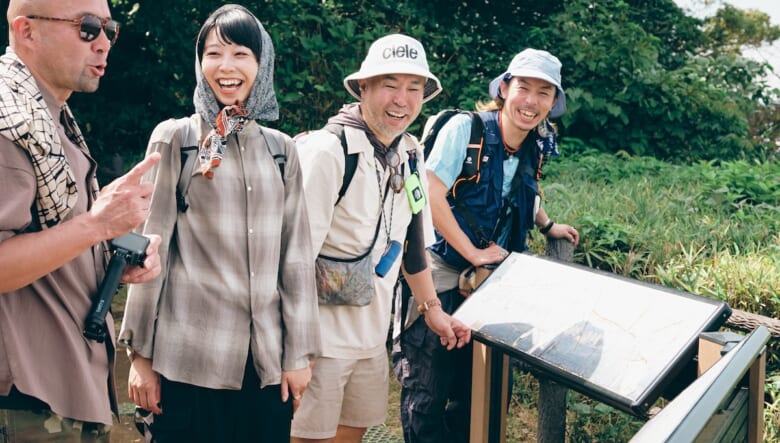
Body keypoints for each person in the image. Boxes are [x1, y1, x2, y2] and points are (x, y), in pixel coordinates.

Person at [118, 4, 320, 442]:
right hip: (186, 361)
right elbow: (149, 247)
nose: (226, 67)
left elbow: (297, 258)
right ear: (199, 62)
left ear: (261, 63)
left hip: (264, 366)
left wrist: (297, 354)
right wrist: (140, 357)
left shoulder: (282, 150)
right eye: (214, 53)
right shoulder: (177, 138)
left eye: (241, 53)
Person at [392, 48, 580, 443]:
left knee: (479, 397)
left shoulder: (535, 142)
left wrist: (548, 226)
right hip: (440, 278)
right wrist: (475, 253)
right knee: (427, 396)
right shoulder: (467, 130)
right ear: (505, 88)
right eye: (524, 88)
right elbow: (430, 193)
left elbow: (522, 192)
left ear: (552, 102)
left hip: (490, 288)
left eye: (544, 93)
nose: (531, 102)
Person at [291, 33, 472, 443]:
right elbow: (291, 259)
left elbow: (412, 243)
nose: (402, 100)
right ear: (363, 87)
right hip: (319, 345)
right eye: (389, 84)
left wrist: (432, 310)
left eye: (414, 88)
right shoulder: (329, 151)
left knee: (351, 436)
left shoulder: (410, 151)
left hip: (371, 341)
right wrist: (294, 352)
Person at [0, 0, 163, 440]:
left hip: (65, 390)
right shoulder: (8, 124)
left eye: (108, 27)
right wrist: (96, 226)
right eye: (87, 27)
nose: (104, 42)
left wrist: (112, 256)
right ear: (26, 30)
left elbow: (53, 241)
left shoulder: (47, 116)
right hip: (28, 403)